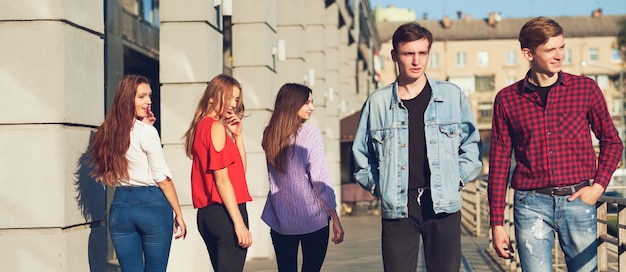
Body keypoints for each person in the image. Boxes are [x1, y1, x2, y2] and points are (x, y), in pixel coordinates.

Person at [488, 17, 623, 271]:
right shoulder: (507, 100)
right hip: (530, 205)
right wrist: (497, 223)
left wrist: (598, 187)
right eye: (550, 49)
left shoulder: (585, 89)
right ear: (528, 53)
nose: (559, 55)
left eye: (561, 47)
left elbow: (612, 142)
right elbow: (499, 164)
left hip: (578, 202)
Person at [352, 22, 482, 272]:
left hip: (443, 202)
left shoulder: (451, 96)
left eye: (422, 53)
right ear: (394, 56)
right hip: (399, 206)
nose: (416, 61)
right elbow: (360, 155)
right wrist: (379, 185)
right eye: (408, 53)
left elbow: (471, 146)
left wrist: (457, 179)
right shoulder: (377, 103)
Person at [87, 74, 187, 271]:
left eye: (149, 96)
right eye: (141, 96)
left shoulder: (107, 133)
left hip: (120, 207)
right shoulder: (147, 133)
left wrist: (145, 125)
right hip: (152, 206)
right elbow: (161, 177)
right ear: (127, 99)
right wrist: (179, 213)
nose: (148, 101)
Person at [261, 83, 345, 272]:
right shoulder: (310, 134)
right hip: (312, 219)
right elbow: (319, 179)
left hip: (281, 219)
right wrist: (335, 218)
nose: (312, 107)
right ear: (292, 104)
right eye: (306, 102)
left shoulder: (270, 135)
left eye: (312, 102)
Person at [183, 74, 252, 272]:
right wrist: (239, 223)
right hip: (225, 213)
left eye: (237, 99)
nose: (233, 104)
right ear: (212, 97)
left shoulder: (202, 126)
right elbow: (222, 181)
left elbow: (239, 172)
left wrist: (238, 136)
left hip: (208, 215)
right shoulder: (215, 127)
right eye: (229, 97)